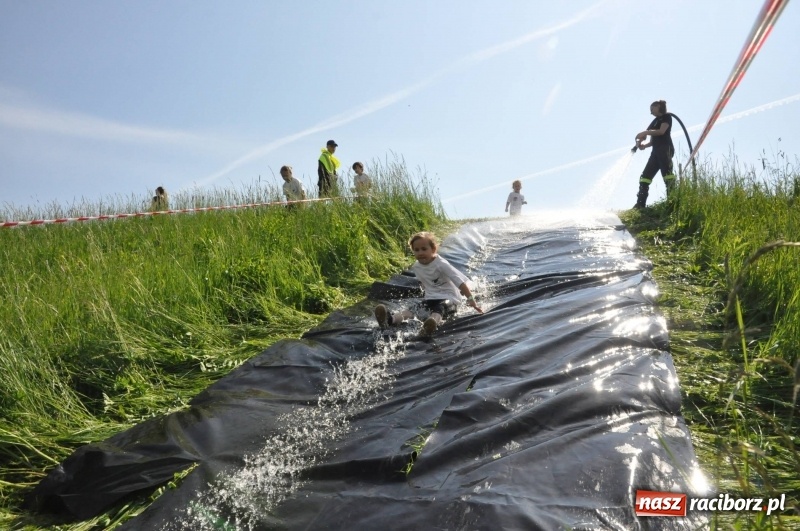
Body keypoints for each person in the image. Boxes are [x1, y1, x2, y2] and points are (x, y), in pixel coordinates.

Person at [374, 231, 483, 336]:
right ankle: (389, 320)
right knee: (412, 310)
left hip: (450, 299)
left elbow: (460, 283)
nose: (420, 253)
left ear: (433, 249)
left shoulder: (441, 264)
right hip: (431, 298)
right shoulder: (416, 266)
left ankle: (431, 325)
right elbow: (424, 283)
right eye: (416, 250)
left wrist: (471, 300)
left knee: (441, 307)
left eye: (424, 249)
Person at [633, 100, 676, 209]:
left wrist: (646, 132)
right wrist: (643, 145)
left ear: (658, 106)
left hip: (665, 149)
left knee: (668, 175)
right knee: (645, 177)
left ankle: (672, 204)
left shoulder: (667, 117)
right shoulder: (654, 122)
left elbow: (661, 132)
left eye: (652, 109)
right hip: (656, 151)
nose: (651, 112)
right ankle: (640, 205)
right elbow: (652, 141)